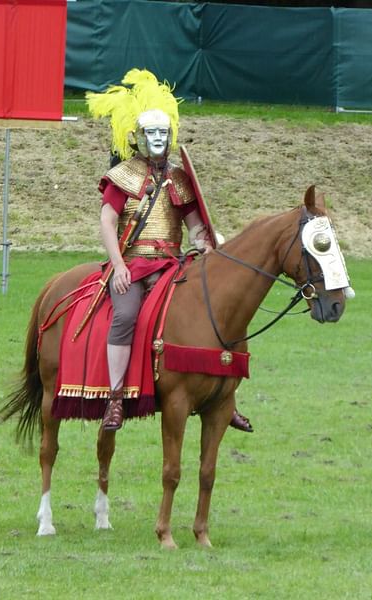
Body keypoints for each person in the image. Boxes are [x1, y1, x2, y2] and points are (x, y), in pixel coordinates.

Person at [86, 69, 253, 433]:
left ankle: (226, 397)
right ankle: (115, 398)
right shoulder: (124, 176)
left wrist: (206, 242)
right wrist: (117, 266)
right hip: (133, 264)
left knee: (213, 309)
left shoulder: (179, 178)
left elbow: (193, 225)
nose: (158, 139)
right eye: (152, 133)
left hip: (172, 265)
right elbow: (107, 222)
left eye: (164, 133)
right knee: (126, 316)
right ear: (139, 137)